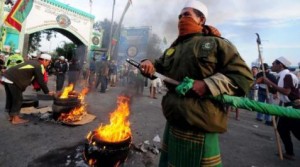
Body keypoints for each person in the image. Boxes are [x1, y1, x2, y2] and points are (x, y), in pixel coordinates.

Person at [139, 0, 253, 166]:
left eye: (187, 15)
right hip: (173, 121)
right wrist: (147, 63)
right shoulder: (174, 48)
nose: (181, 19)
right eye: (180, 16)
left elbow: (243, 76)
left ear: (201, 20)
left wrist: (207, 84)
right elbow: (158, 65)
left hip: (200, 124)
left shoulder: (217, 44)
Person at [262, 57, 300, 160]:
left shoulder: (287, 75)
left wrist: (269, 82)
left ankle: (290, 152)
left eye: (274, 63)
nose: (272, 65)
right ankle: (289, 152)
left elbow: (286, 92)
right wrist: (269, 85)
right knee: (282, 128)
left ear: (280, 65)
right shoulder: (281, 76)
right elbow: (278, 90)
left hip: (294, 107)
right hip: (286, 106)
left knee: (296, 131)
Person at [2, 53, 55, 124]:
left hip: (7, 76)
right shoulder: (38, 66)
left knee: (11, 98)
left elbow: (32, 77)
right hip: (13, 79)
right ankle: (15, 119)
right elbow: (40, 80)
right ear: (45, 60)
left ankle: (11, 116)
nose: (48, 64)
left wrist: (36, 87)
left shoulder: (32, 62)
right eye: (49, 62)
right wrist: (47, 92)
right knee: (18, 99)